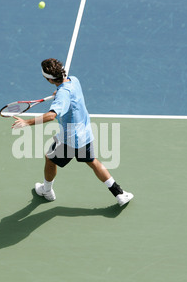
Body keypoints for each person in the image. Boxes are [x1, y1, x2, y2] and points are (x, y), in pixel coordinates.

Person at [12, 58, 133, 206]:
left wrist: (26, 122)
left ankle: (47, 190)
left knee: (50, 158)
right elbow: (67, 93)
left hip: (70, 139)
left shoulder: (62, 95)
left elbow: (51, 115)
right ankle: (119, 193)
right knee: (92, 161)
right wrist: (59, 92)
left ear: (49, 80)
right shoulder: (74, 80)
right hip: (85, 134)